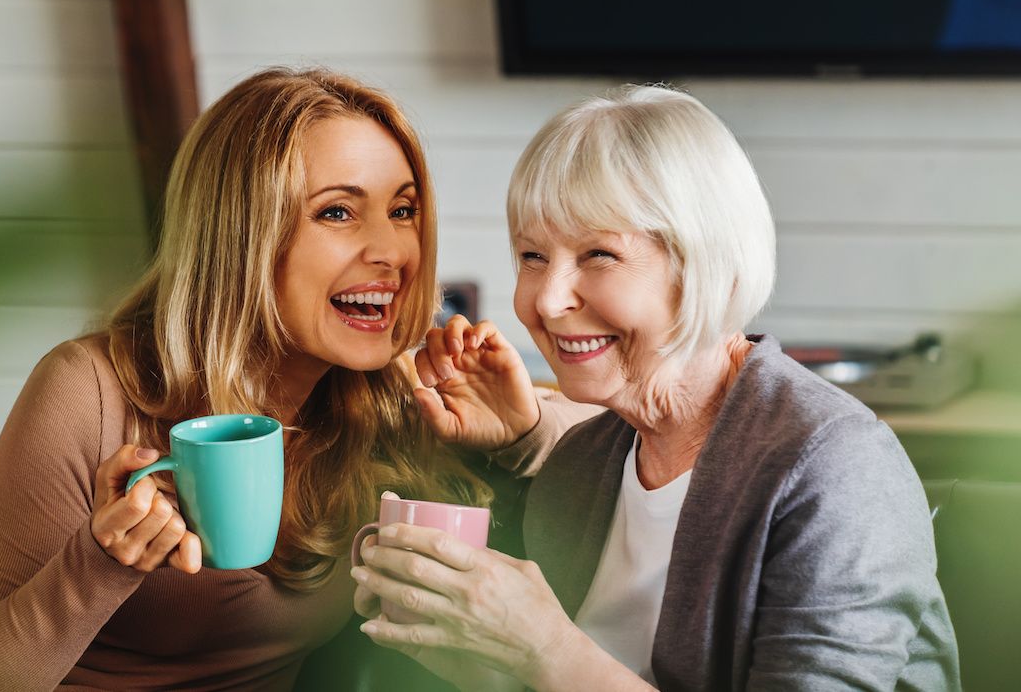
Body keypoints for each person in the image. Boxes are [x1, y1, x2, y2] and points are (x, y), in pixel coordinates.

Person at [0, 68, 559, 690]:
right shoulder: (91, 388)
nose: (392, 251)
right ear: (242, 235)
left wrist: (522, 429)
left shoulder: (386, 395)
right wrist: (100, 563)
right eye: (337, 213)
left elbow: (634, 452)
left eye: (403, 210)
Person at [351, 85, 961, 690]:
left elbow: (558, 663)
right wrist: (460, 646)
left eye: (599, 254)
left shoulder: (835, 467)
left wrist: (546, 649)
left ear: (707, 265)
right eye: (532, 256)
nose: (548, 299)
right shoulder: (584, 463)